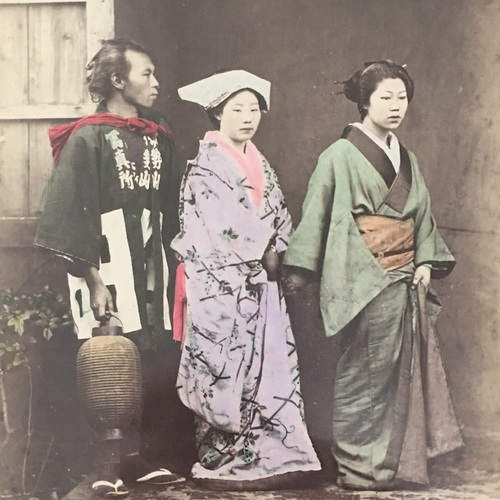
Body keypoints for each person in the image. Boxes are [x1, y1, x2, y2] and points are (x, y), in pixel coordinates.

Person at [282, 60, 463, 491]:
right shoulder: (339, 155)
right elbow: (317, 215)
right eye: (386, 97)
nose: (396, 105)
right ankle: (357, 466)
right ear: (364, 102)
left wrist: (423, 262)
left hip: (403, 277)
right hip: (360, 276)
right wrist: (300, 270)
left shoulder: (408, 159)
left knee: (395, 374)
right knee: (360, 374)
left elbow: (422, 217)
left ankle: (388, 464)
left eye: (402, 97)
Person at [34, 38, 186, 497]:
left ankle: (137, 460)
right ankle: (104, 465)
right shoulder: (89, 137)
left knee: (150, 354)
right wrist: (93, 278)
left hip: (152, 260)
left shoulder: (158, 137)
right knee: (108, 358)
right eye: (146, 74)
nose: (157, 83)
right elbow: (67, 211)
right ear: (118, 81)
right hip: (104, 259)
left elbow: (173, 209)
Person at [171, 70, 321, 490]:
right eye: (237, 108)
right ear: (217, 112)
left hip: (261, 282)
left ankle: (271, 452)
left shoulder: (261, 163)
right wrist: (264, 252)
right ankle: (223, 456)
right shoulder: (205, 167)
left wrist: (277, 250)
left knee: (267, 364)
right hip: (221, 285)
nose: (247, 117)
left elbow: (279, 213)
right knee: (225, 365)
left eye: (254, 108)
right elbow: (220, 227)